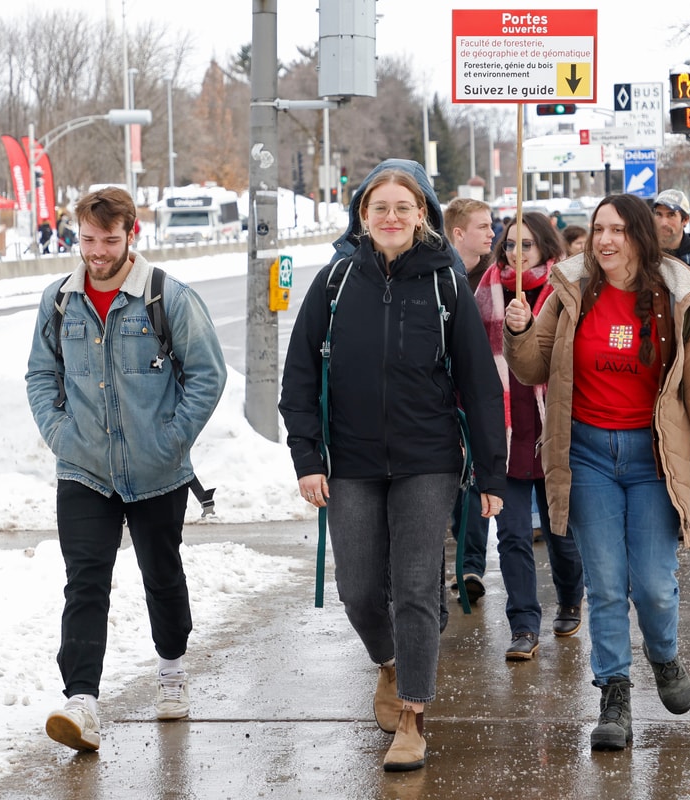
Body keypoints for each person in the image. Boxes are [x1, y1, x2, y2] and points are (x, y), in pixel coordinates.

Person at [279, 162, 507, 772]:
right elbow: (299, 377)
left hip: (426, 460)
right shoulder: (333, 283)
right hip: (350, 460)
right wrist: (308, 457)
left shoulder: (445, 284)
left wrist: (491, 473)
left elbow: (480, 385)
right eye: (379, 207)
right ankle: (388, 662)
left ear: (423, 215)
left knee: (414, 587)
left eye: (403, 207)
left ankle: (413, 714)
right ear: (363, 216)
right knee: (357, 590)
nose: (391, 217)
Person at [504, 194, 690, 752]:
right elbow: (534, 365)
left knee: (656, 587)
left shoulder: (679, 301)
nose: (605, 240)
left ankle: (663, 655)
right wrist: (518, 332)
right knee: (607, 586)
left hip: (654, 458)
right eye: (598, 230)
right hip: (586, 456)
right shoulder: (570, 293)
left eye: (617, 230)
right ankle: (614, 694)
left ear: (639, 235)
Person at [25, 186, 228, 752]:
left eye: (108, 239)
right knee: (84, 582)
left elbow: (207, 375)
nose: (96, 250)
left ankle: (171, 670)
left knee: (161, 575)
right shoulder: (60, 300)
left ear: (130, 234)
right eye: (88, 239)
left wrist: (171, 439)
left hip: (157, 472)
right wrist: (60, 433)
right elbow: (41, 376)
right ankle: (82, 702)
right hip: (84, 469)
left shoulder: (167, 297)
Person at [476, 212, 586, 660]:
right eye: (510, 245)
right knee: (513, 536)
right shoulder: (485, 292)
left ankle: (570, 598)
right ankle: (523, 624)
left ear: (545, 247)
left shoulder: (565, 290)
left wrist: (527, 327)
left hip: (555, 431)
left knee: (560, 531)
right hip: (507, 434)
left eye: (527, 245)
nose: (516, 253)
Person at [442, 196, 496, 603]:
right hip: (448, 400)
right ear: (458, 233)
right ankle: (459, 564)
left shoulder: (489, 277)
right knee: (457, 487)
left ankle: (470, 565)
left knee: (475, 482)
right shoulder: (444, 277)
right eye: (483, 227)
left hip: (483, 395)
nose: (492, 234)